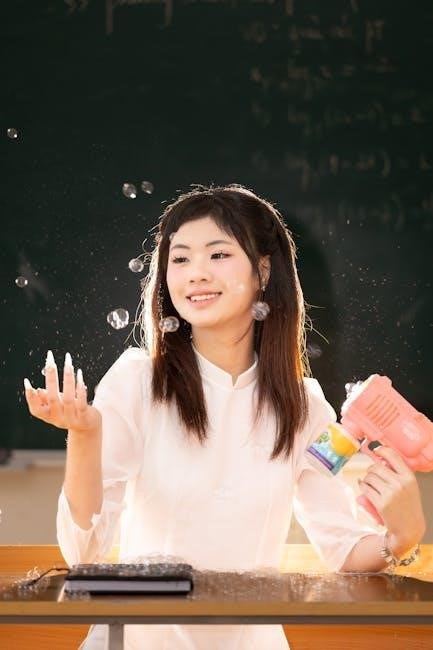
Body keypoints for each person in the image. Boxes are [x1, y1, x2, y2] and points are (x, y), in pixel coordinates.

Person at [24, 184, 426, 649]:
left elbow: (344, 548)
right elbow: (84, 552)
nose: (196, 274)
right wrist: (86, 434)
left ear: (263, 271)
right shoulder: (137, 382)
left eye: (218, 255)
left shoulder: (305, 407)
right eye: (180, 259)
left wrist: (402, 535)